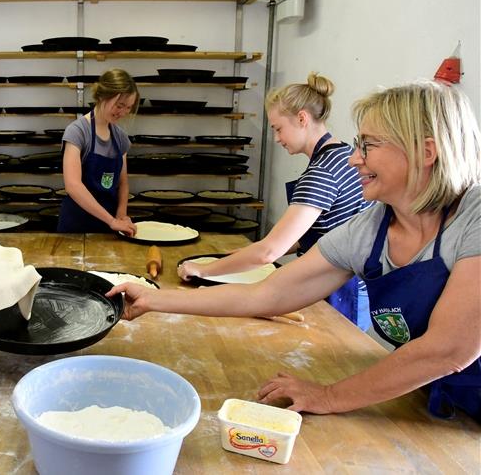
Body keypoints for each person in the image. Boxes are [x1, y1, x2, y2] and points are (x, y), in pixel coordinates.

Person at [109, 80, 480, 421]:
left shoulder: (474, 217)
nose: (355, 159)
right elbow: (267, 294)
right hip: (435, 397)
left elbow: (448, 349)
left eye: (369, 145)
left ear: (425, 151)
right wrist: (154, 300)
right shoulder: (372, 229)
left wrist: (330, 397)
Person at [179, 73, 373, 329]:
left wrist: (204, 269)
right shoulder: (345, 154)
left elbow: (269, 252)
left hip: (337, 289)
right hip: (358, 284)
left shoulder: (321, 173)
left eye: (278, 128)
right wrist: (253, 252)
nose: (277, 138)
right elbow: (328, 228)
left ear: (302, 118)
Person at [57, 68, 138, 235]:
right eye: (119, 105)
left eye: (128, 107)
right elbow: (73, 185)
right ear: (102, 96)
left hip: (108, 228)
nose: (123, 112)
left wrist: (121, 216)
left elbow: (123, 184)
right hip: (76, 225)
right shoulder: (78, 132)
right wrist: (112, 221)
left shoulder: (120, 137)